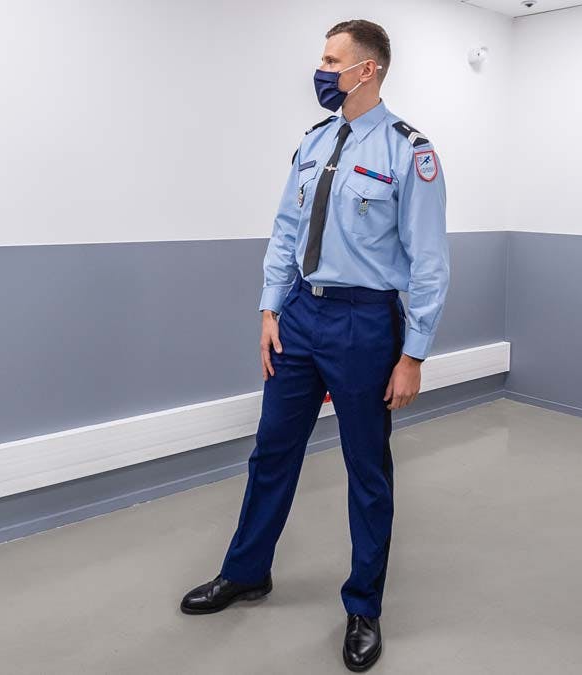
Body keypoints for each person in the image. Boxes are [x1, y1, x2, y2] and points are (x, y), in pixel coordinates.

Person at [179, 20, 449, 672]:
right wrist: (271, 307)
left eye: (333, 60)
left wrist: (412, 352)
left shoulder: (407, 152)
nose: (321, 70)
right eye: (322, 58)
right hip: (300, 315)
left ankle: (363, 607)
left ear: (369, 70)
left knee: (366, 469)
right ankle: (247, 571)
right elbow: (284, 230)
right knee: (271, 450)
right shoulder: (316, 141)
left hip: (363, 324)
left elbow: (430, 261)